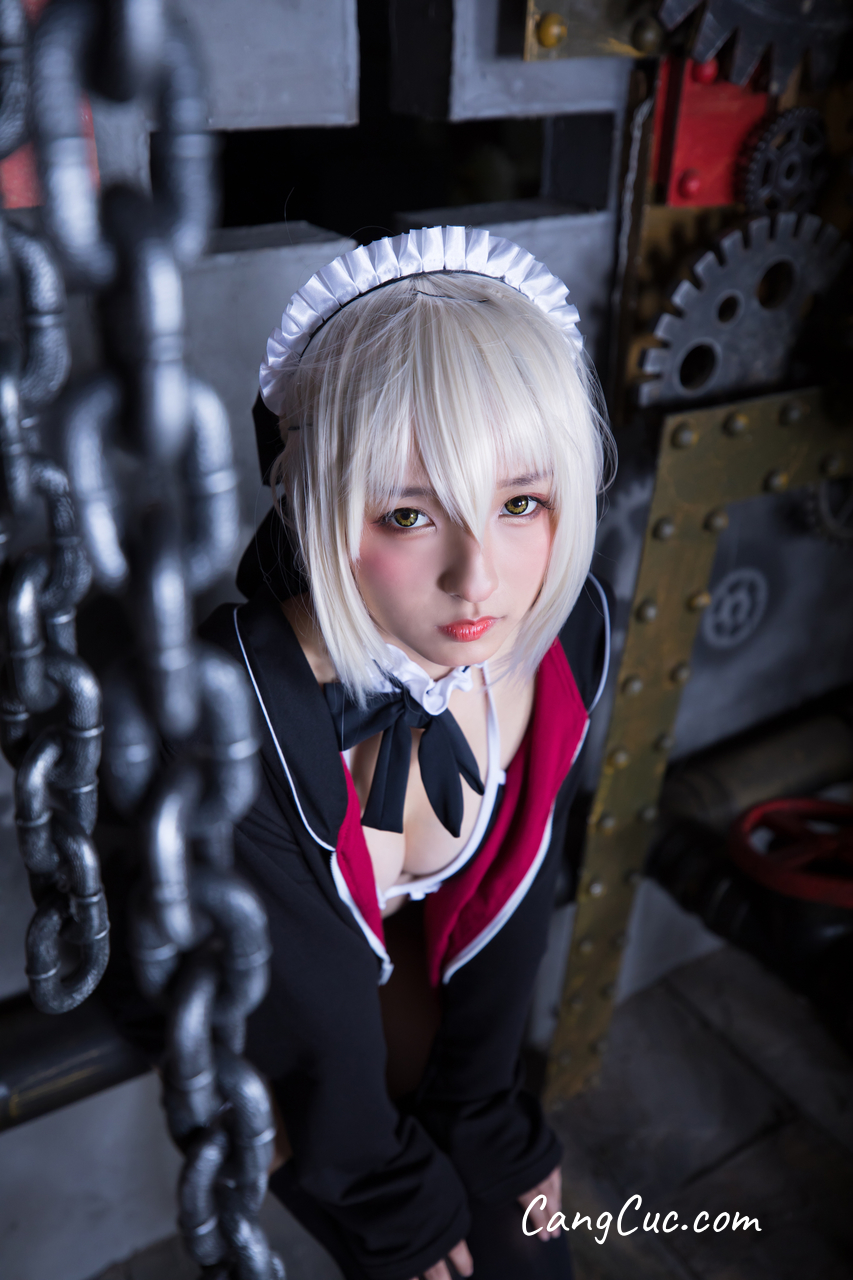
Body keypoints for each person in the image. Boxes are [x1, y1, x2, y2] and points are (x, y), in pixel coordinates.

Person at [200, 226, 614, 1280]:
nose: (478, 579)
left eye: (519, 504)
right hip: (265, 1010)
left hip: (391, 970)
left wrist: (490, 1118)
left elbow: (516, 893)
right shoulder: (245, 717)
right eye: (407, 514)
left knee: (530, 1259)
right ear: (316, 503)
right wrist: (384, 1193)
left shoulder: (561, 641)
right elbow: (305, 1011)